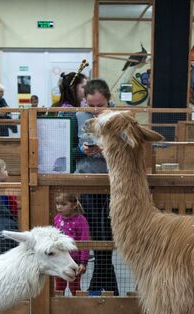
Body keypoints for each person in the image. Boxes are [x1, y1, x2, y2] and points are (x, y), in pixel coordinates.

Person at [76, 79, 119, 296]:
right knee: (95, 234)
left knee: (107, 234)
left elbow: (123, 145)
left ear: (108, 100)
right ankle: (109, 288)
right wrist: (84, 149)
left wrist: (104, 149)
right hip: (85, 179)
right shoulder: (79, 116)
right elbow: (75, 145)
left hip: (111, 181)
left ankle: (98, 285)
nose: (94, 110)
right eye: (90, 105)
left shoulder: (118, 118)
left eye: (99, 105)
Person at [53, 192, 89, 296]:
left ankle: (78, 307)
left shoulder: (81, 220)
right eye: (57, 204)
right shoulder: (57, 218)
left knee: (74, 286)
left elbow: (85, 241)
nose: (59, 207)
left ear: (73, 205)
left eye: (63, 204)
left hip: (75, 261)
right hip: (60, 260)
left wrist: (83, 262)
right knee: (59, 286)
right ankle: (59, 305)